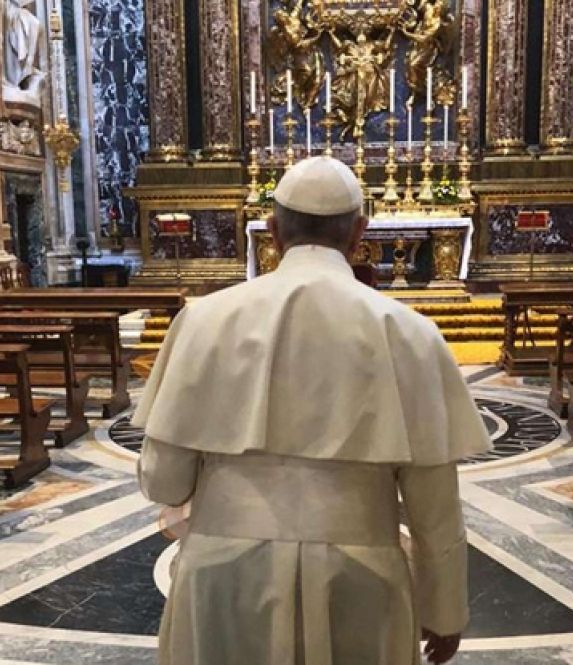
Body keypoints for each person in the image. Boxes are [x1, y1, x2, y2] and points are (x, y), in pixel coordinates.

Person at [135, 156, 492, 665]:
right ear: (359, 234)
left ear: (273, 232)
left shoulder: (201, 322)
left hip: (222, 576)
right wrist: (446, 609)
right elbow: (435, 509)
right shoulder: (410, 333)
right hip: (362, 576)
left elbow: (164, 482)